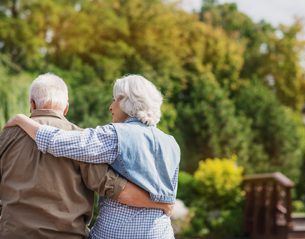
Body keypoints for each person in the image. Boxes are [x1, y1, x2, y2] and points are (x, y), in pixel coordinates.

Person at [6, 74, 181, 239]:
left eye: (115, 100)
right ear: (65, 108)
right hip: (161, 232)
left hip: (115, 233)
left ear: (125, 102)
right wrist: (160, 204)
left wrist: (21, 120)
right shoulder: (172, 143)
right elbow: (164, 194)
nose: (110, 107)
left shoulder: (114, 135)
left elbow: (56, 142)